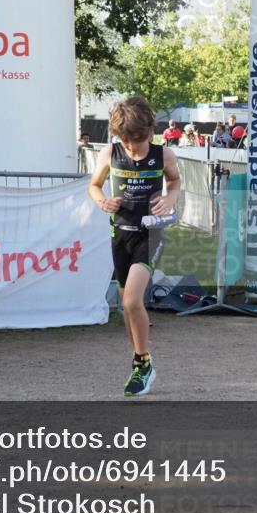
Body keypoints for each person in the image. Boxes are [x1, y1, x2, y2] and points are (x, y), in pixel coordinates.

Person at [88, 96, 180, 397]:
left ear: (149, 133)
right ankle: (140, 361)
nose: (132, 149)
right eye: (127, 142)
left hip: (150, 235)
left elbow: (176, 181)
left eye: (138, 142)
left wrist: (170, 198)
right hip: (121, 234)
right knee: (129, 308)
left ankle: (143, 363)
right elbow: (94, 185)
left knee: (130, 301)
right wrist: (103, 201)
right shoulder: (110, 153)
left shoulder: (162, 154)